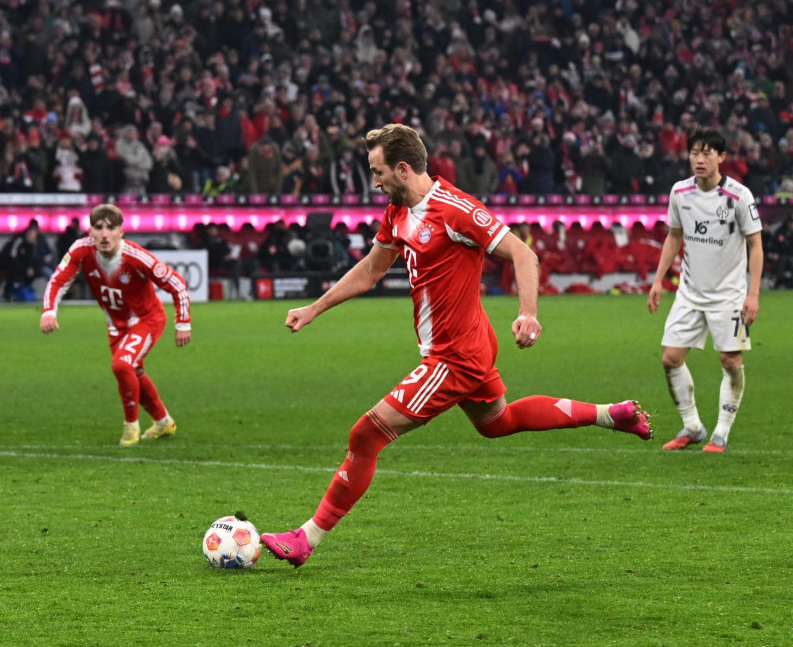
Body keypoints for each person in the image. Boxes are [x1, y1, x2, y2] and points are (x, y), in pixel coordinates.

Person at [260, 124, 651, 567]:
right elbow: (370, 271)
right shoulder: (398, 210)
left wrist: (528, 313)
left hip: (455, 357)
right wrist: (315, 308)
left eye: (378, 171)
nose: (375, 182)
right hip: (466, 345)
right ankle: (610, 415)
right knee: (498, 422)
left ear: (403, 169)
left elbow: (524, 255)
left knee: (365, 434)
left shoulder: (456, 209)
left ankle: (306, 538)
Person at [647, 128, 763, 453]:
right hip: (689, 292)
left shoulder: (740, 196)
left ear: (721, 158)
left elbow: (756, 245)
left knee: (730, 360)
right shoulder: (680, 193)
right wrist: (658, 280)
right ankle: (692, 426)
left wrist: (752, 294)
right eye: (695, 152)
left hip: (729, 295)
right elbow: (673, 236)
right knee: (671, 359)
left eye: (707, 153)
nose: (699, 159)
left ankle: (721, 433)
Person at [39, 204, 192, 447]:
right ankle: (163, 422)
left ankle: (131, 426)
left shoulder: (135, 257)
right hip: (116, 325)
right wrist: (49, 310)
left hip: (146, 320)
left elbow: (176, 283)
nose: (104, 234)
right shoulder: (81, 250)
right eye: (98, 228)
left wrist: (183, 322)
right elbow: (58, 280)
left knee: (122, 365)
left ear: (122, 232)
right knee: (134, 373)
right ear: (90, 231)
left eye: (111, 228)